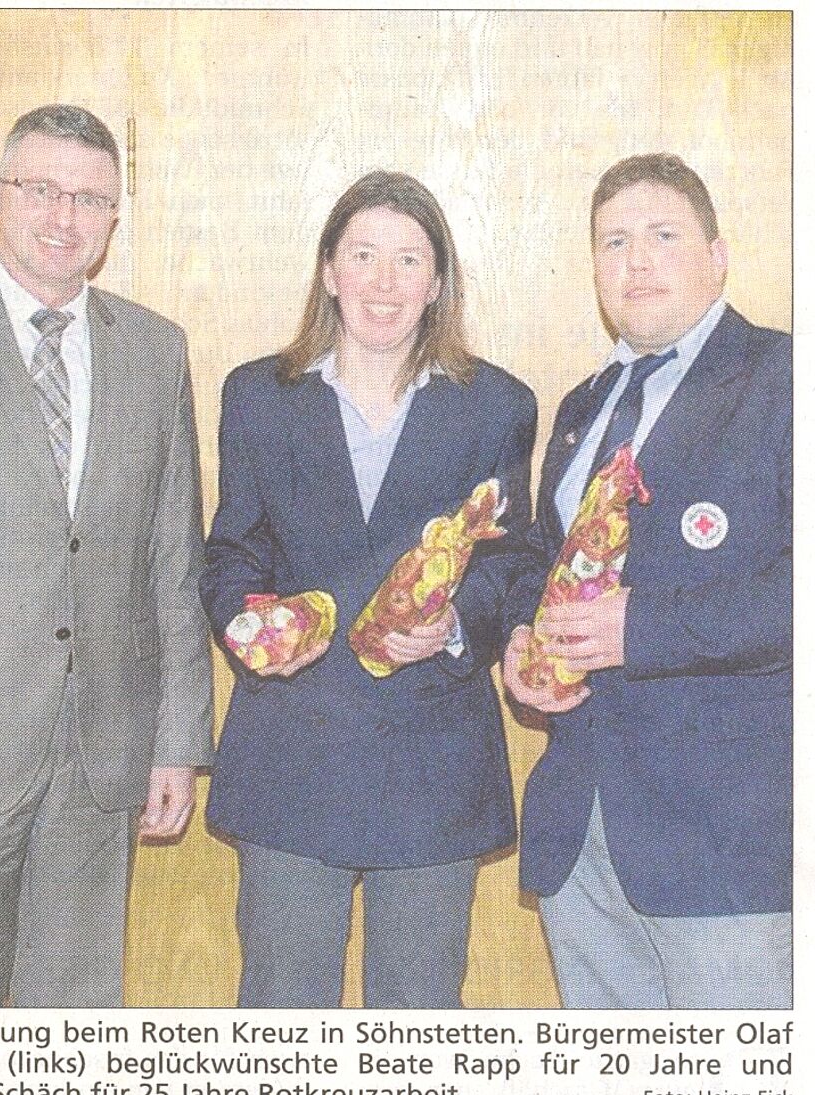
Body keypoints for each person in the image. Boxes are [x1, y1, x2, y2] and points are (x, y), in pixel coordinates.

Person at [0, 104, 213, 1007]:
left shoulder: (156, 350)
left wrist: (178, 742)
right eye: (41, 190)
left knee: (76, 1022)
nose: (64, 217)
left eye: (91, 198)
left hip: (103, 759)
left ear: (114, 218)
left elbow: (173, 564)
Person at [200, 170, 536, 1008]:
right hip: (293, 752)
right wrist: (249, 627)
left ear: (437, 281)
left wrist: (452, 623)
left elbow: (509, 563)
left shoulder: (496, 404)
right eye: (363, 255)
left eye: (409, 259)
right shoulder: (258, 395)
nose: (384, 282)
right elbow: (232, 555)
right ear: (329, 270)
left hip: (433, 761)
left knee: (419, 1022)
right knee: (282, 1018)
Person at [502, 153, 791, 1009]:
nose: (637, 261)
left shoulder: (784, 377)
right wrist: (522, 638)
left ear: (718, 256)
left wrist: (645, 628)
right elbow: (540, 561)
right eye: (614, 241)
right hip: (579, 833)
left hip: (729, 842)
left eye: (663, 235)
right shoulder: (581, 406)